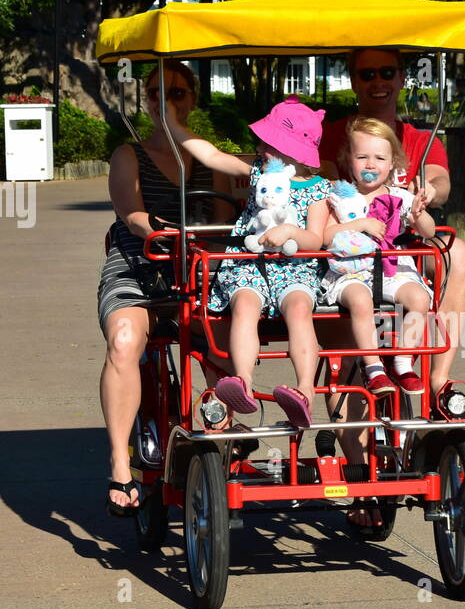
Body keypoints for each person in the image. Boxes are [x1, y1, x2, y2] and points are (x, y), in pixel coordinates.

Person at [99, 62, 249, 516]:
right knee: (124, 342)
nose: (168, 101)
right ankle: (120, 461)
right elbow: (131, 211)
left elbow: (230, 215)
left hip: (201, 264)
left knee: (230, 332)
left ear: (193, 99)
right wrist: (160, 231)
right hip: (142, 262)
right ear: (145, 101)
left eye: (179, 93)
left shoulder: (210, 157)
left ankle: (222, 425)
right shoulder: (129, 154)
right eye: (157, 93)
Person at [318, 47, 465, 405]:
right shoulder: (333, 135)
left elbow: (439, 181)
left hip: (404, 244)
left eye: (387, 73)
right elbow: (320, 184)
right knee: (345, 353)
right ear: (354, 81)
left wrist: (428, 191)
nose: (378, 82)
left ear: (401, 78)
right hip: (348, 250)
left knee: (457, 253)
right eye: (367, 74)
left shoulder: (417, 138)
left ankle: (439, 381)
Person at [172, 96, 332, 429]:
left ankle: (305, 389)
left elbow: (315, 239)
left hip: (294, 267)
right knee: (244, 305)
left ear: (293, 151)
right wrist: (173, 127)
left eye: (269, 143)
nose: (259, 147)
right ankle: (241, 381)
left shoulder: (318, 189)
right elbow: (214, 156)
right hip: (249, 263)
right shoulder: (260, 173)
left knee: (300, 310)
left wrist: (290, 231)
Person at [320, 116, 434, 398]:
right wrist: (359, 225)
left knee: (419, 299)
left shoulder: (400, 197)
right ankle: (373, 368)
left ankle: (403, 362)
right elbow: (325, 235)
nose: (371, 164)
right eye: (362, 157)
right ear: (349, 159)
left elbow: (430, 232)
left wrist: (418, 216)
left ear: (393, 162)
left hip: (392, 269)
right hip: (351, 271)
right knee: (360, 301)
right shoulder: (340, 197)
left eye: (379, 158)